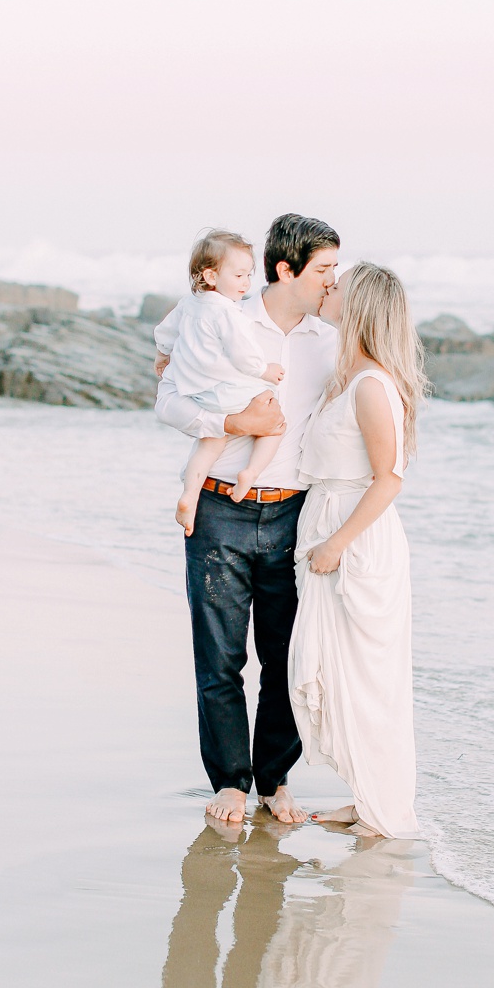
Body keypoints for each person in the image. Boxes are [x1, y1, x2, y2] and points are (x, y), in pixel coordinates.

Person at [155, 213, 340, 826]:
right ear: (286, 270)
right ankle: (231, 781)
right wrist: (233, 425)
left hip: (295, 515)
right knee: (220, 657)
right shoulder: (223, 318)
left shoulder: (328, 341)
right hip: (218, 508)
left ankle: (273, 780)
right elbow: (168, 400)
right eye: (323, 270)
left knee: (287, 658)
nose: (331, 282)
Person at [288, 262, 428, 838]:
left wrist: (336, 545)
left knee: (369, 680)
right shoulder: (345, 377)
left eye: (339, 285)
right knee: (340, 672)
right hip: (328, 525)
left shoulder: (372, 387)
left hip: (355, 542)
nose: (329, 288)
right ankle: (368, 797)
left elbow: (389, 478)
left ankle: (384, 811)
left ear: (361, 306)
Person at [154, 231, 286, 535]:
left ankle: (189, 496)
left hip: (198, 393)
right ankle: (250, 473)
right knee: (276, 421)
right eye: (239, 275)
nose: (246, 283)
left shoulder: (188, 304)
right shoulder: (227, 312)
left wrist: (162, 357)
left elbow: (164, 333)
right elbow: (243, 356)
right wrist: (266, 370)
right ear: (211, 275)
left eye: (249, 275)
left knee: (211, 440)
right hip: (227, 390)